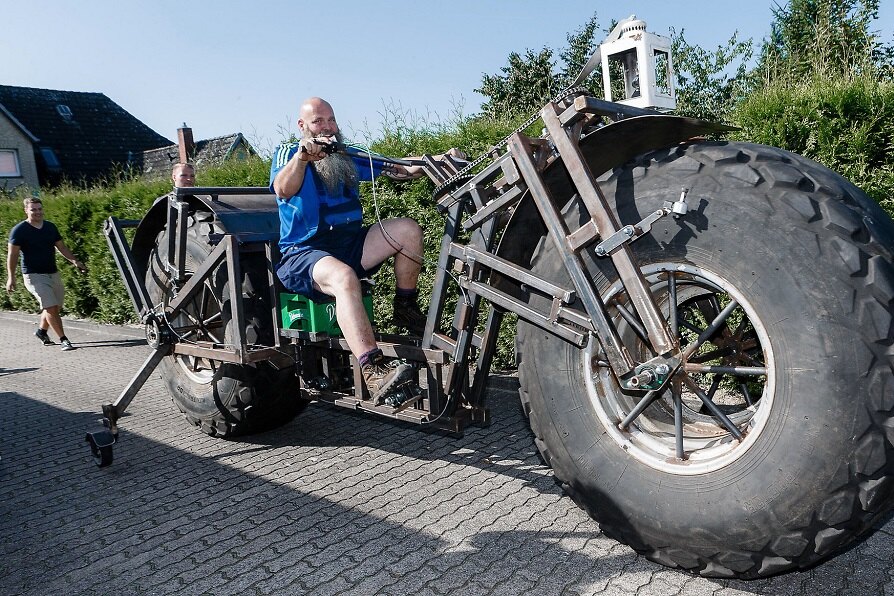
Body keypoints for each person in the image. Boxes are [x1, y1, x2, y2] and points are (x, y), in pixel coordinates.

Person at [271, 96, 461, 403]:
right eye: (319, 121)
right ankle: (372, 370)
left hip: (348, 246)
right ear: (302, 125)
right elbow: (283, 188)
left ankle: (405, 308)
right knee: (345, 277)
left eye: (331, 119)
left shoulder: (346, 155)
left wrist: (436, 159)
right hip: (303, 254)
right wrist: (303, 158)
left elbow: (399, 169)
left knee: (408, 230)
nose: (328, 127)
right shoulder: (289, 153)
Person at [6, 196, 87, 351]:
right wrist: (11, 277)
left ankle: (41, 331)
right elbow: (13, 255)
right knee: (50, 307)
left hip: (52, 273)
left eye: (39, 209)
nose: (37, 212)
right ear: (26, 211)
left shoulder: (50, 227)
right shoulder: (19, 230)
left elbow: (61, 247)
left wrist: (74, 261)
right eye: (33, 209)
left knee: (55, 307)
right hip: (33, 275)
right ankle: (64, 340)